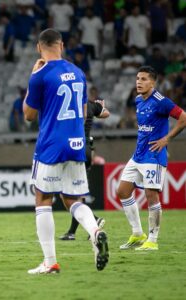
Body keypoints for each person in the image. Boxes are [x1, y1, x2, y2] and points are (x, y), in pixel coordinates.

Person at [23, 29, 109, 275]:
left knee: (43, 199)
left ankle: (50, 262)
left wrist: (32, 76)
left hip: (51, 145)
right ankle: (95, 232)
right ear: (61, 44)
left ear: (40, 48)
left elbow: (28, 116)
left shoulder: (40, 75)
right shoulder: (79, 73)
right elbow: (83, 112)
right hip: (76, 143)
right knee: (72, 199)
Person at [117, 66, 186, 251]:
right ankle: (138, 234)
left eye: (144, 79)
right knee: (122, 191)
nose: (139, 82)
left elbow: (183, 118)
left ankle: (152, 241)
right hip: (138, 155)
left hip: (154, 156)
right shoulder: (138, 100)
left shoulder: (161, 101)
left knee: (151, 195)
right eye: (138, 78)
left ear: (153, 82)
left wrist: (167, 139)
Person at [59, 87, 110, 240]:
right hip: (87, 150)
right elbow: (106, 113)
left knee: (68, 193)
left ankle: (93, 220)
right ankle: (74, 231)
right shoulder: (91, 105)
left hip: (73, 149)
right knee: (77, 193)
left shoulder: (69, 108)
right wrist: (100, 107)